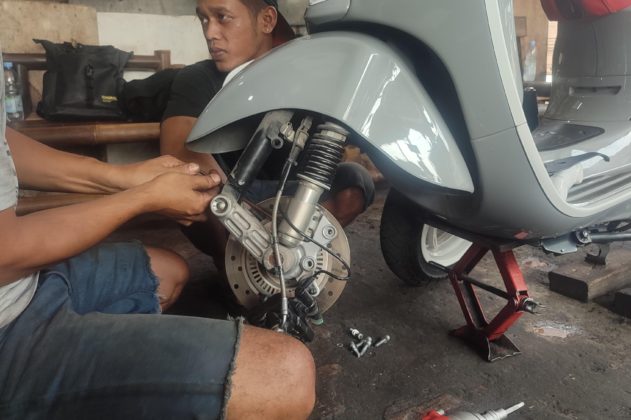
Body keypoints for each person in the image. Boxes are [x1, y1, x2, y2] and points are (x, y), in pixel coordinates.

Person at [0, 61, 315, 418]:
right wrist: (141, 199)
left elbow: (4, 144)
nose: (212, 34)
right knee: (287, 376)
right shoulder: (197, 79)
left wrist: (120, 177)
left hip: (23, 288)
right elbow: (5, 254)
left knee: (166, 273)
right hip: (7, 329)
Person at [160, 0, 375, 267]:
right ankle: (235, 266)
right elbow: (179, 154)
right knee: (194, 185)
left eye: (222, 17)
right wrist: (233, 210)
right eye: (204, 19)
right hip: (231, 195)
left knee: (356, 181)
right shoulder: (197, 78)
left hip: (296, 196)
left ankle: (293, 259)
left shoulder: (306, 77)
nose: (210, 32)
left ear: (267, 20)